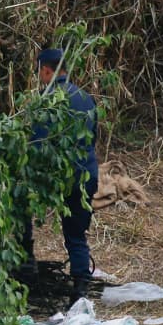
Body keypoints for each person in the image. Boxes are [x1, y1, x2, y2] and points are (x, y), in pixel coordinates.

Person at [22, 48, 99, 304]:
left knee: (19, 208)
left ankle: (26, 267)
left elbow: (37, 145)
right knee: (76, 233)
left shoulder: (48, 101)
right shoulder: (86, 98)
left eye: (40, 73)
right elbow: (93, 139)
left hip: (55, 177)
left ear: (46, 70)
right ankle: (80, 288)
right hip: (85, 174)